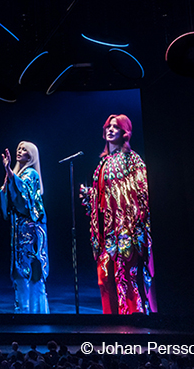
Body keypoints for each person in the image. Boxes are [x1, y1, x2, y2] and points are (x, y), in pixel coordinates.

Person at [81, 114, 156, 314]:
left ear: (125, 132)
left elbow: (142, 192)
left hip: (126, 231)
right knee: (105, 279)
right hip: (106, 233)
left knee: (128, 278)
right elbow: (103, 196)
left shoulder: (133, 159)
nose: (111, 129)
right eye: (108, 126)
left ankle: (134, 318)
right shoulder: (102, 164)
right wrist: (90, 195)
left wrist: (135, 223)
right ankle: (112, 321)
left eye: (116, 127)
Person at [0, 141, 49, 313]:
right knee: (20, 272)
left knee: (32, 271)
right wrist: (8, 178)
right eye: (19, 148)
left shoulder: (31, 173)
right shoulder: (17, 174)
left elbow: (25, 198)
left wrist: (9, 173)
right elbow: (6, 199)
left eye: (24, 149)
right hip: (19, 230)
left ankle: (35, 313)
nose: (20, 151)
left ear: (31, 155)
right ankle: (23, 312)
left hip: (32, 231)